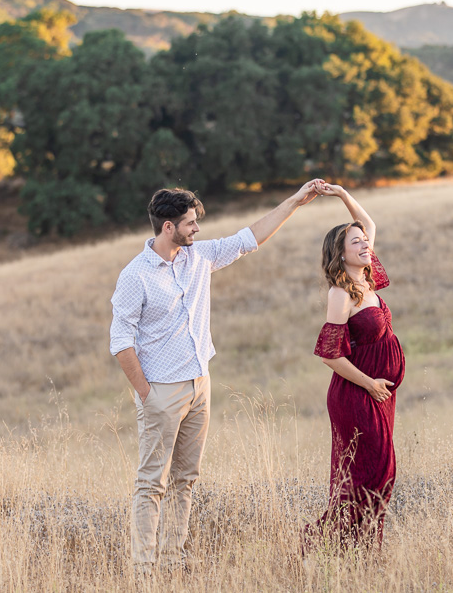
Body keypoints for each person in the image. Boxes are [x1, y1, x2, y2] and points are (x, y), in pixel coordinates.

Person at [110, 181, 321, 574]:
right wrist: (146, 394)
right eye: (190, 223)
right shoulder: (135, 276)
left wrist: (294, 202)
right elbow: (120, 342)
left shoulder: (199, 257)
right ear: (168, 227)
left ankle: (173, 561)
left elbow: (247, 239)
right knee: (151, 482)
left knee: (186, 479)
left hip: (199, 386)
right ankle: (143, 569)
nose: (198, 229)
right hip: (161, 391)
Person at [306, 182, 405, 549]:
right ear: (341, 254)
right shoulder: (341, 292)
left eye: (365, 241)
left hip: (378, 394)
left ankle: (364, 551)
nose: (365, 244)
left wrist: (342, 193)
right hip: (357, 394)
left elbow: (367, 222)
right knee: (371, 473)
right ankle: (322, 544)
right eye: (356, 243)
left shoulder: (367, 279)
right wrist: (369, 384)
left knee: (379, 474)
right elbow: (330, 354)